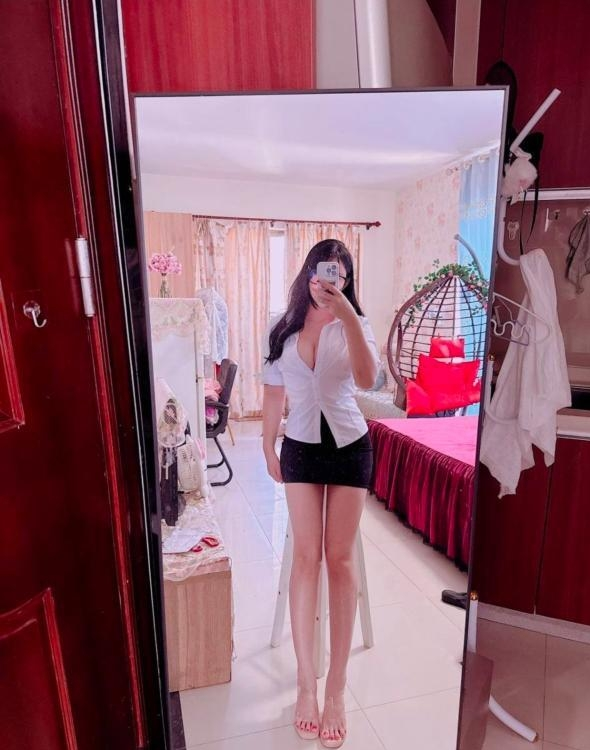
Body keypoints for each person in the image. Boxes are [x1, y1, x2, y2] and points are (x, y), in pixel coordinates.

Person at [262, 239, 378, 748]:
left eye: (338, 273)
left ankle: (337, 689)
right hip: (301, 448)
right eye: (320, 269)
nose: (327, 279)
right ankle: (306, 684)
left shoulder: (356, 324)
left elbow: (368, 379)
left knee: (340, 559)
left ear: (346, 280)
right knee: (305, 557)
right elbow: (273, 392)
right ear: (307, 272)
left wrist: (347, 315)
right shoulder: (282, 327)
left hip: (350, 446)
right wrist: (267, 443)